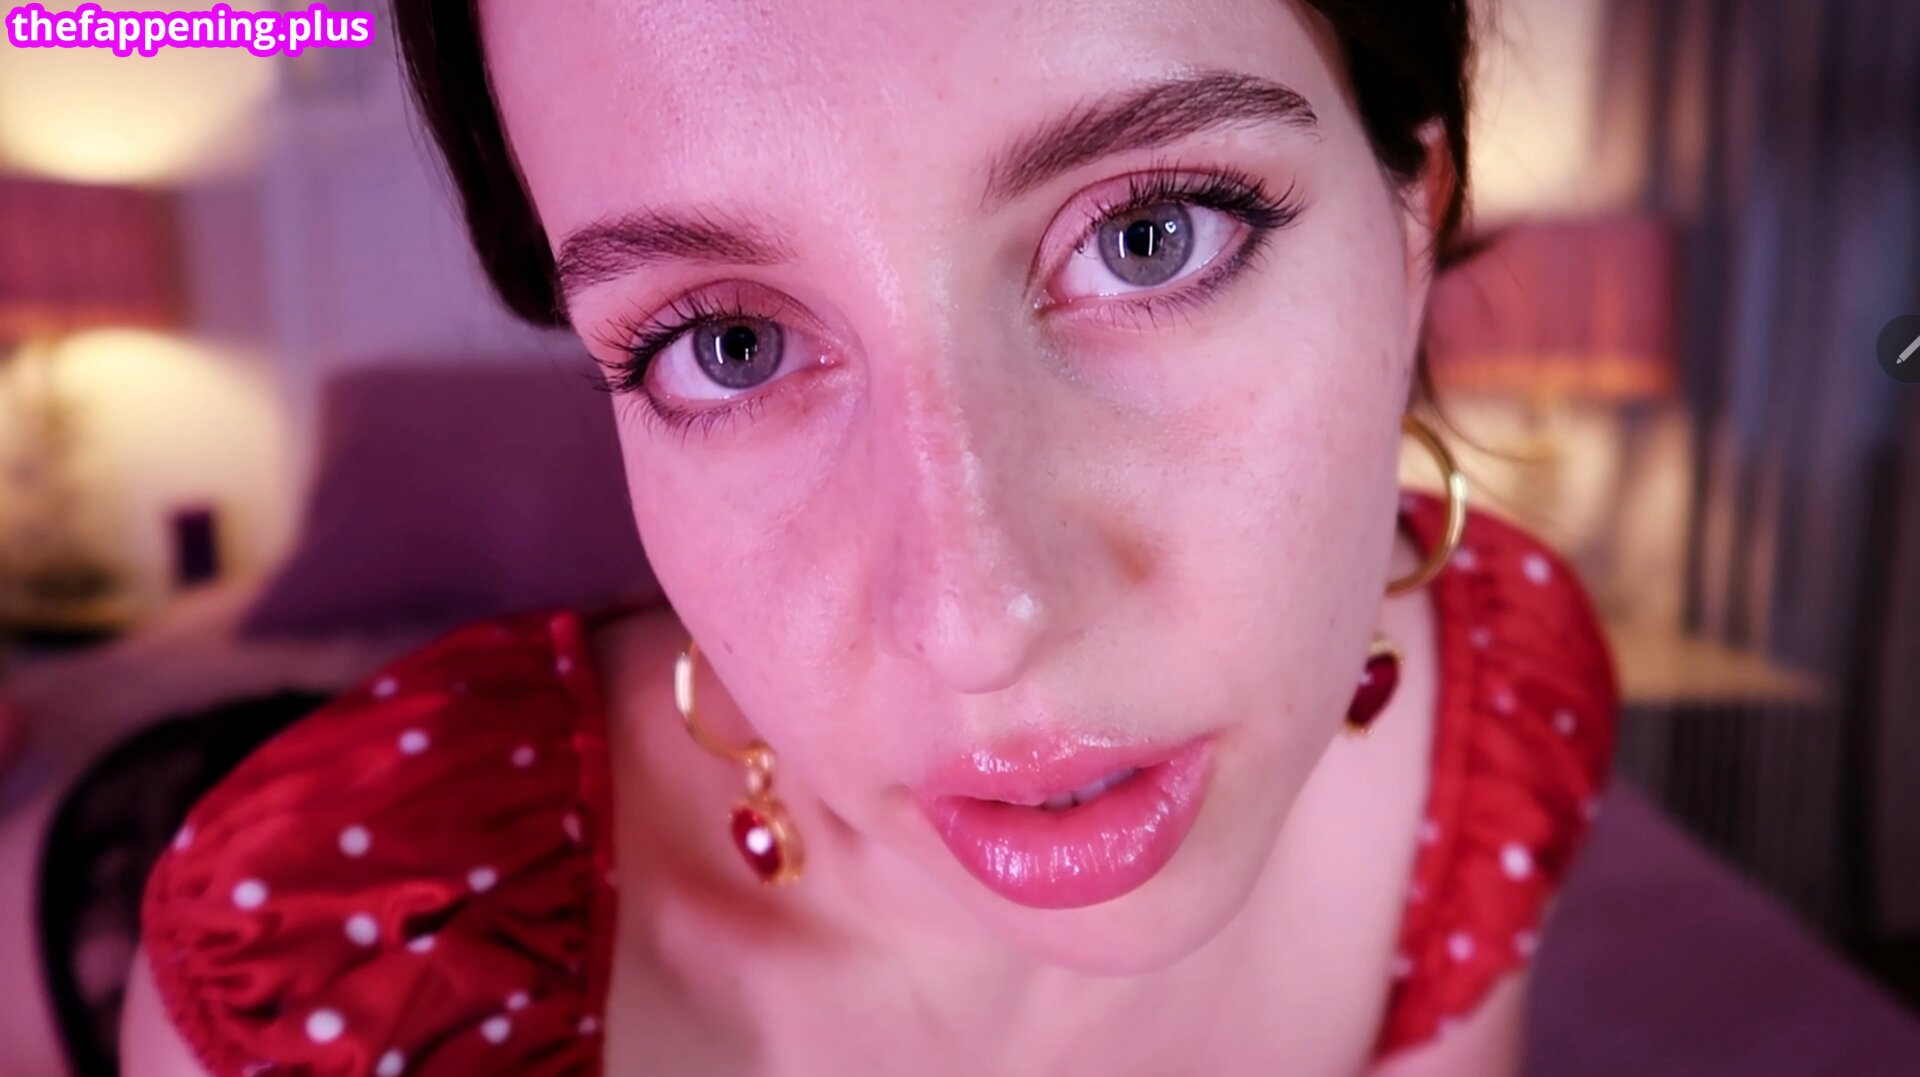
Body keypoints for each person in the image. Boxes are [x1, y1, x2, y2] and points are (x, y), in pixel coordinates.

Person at [124, 0, 1617, 1073]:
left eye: (1149, 235)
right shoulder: (343, 972)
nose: (976, 620)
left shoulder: (1497, 710)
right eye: (726, 344)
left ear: (1411, 223)